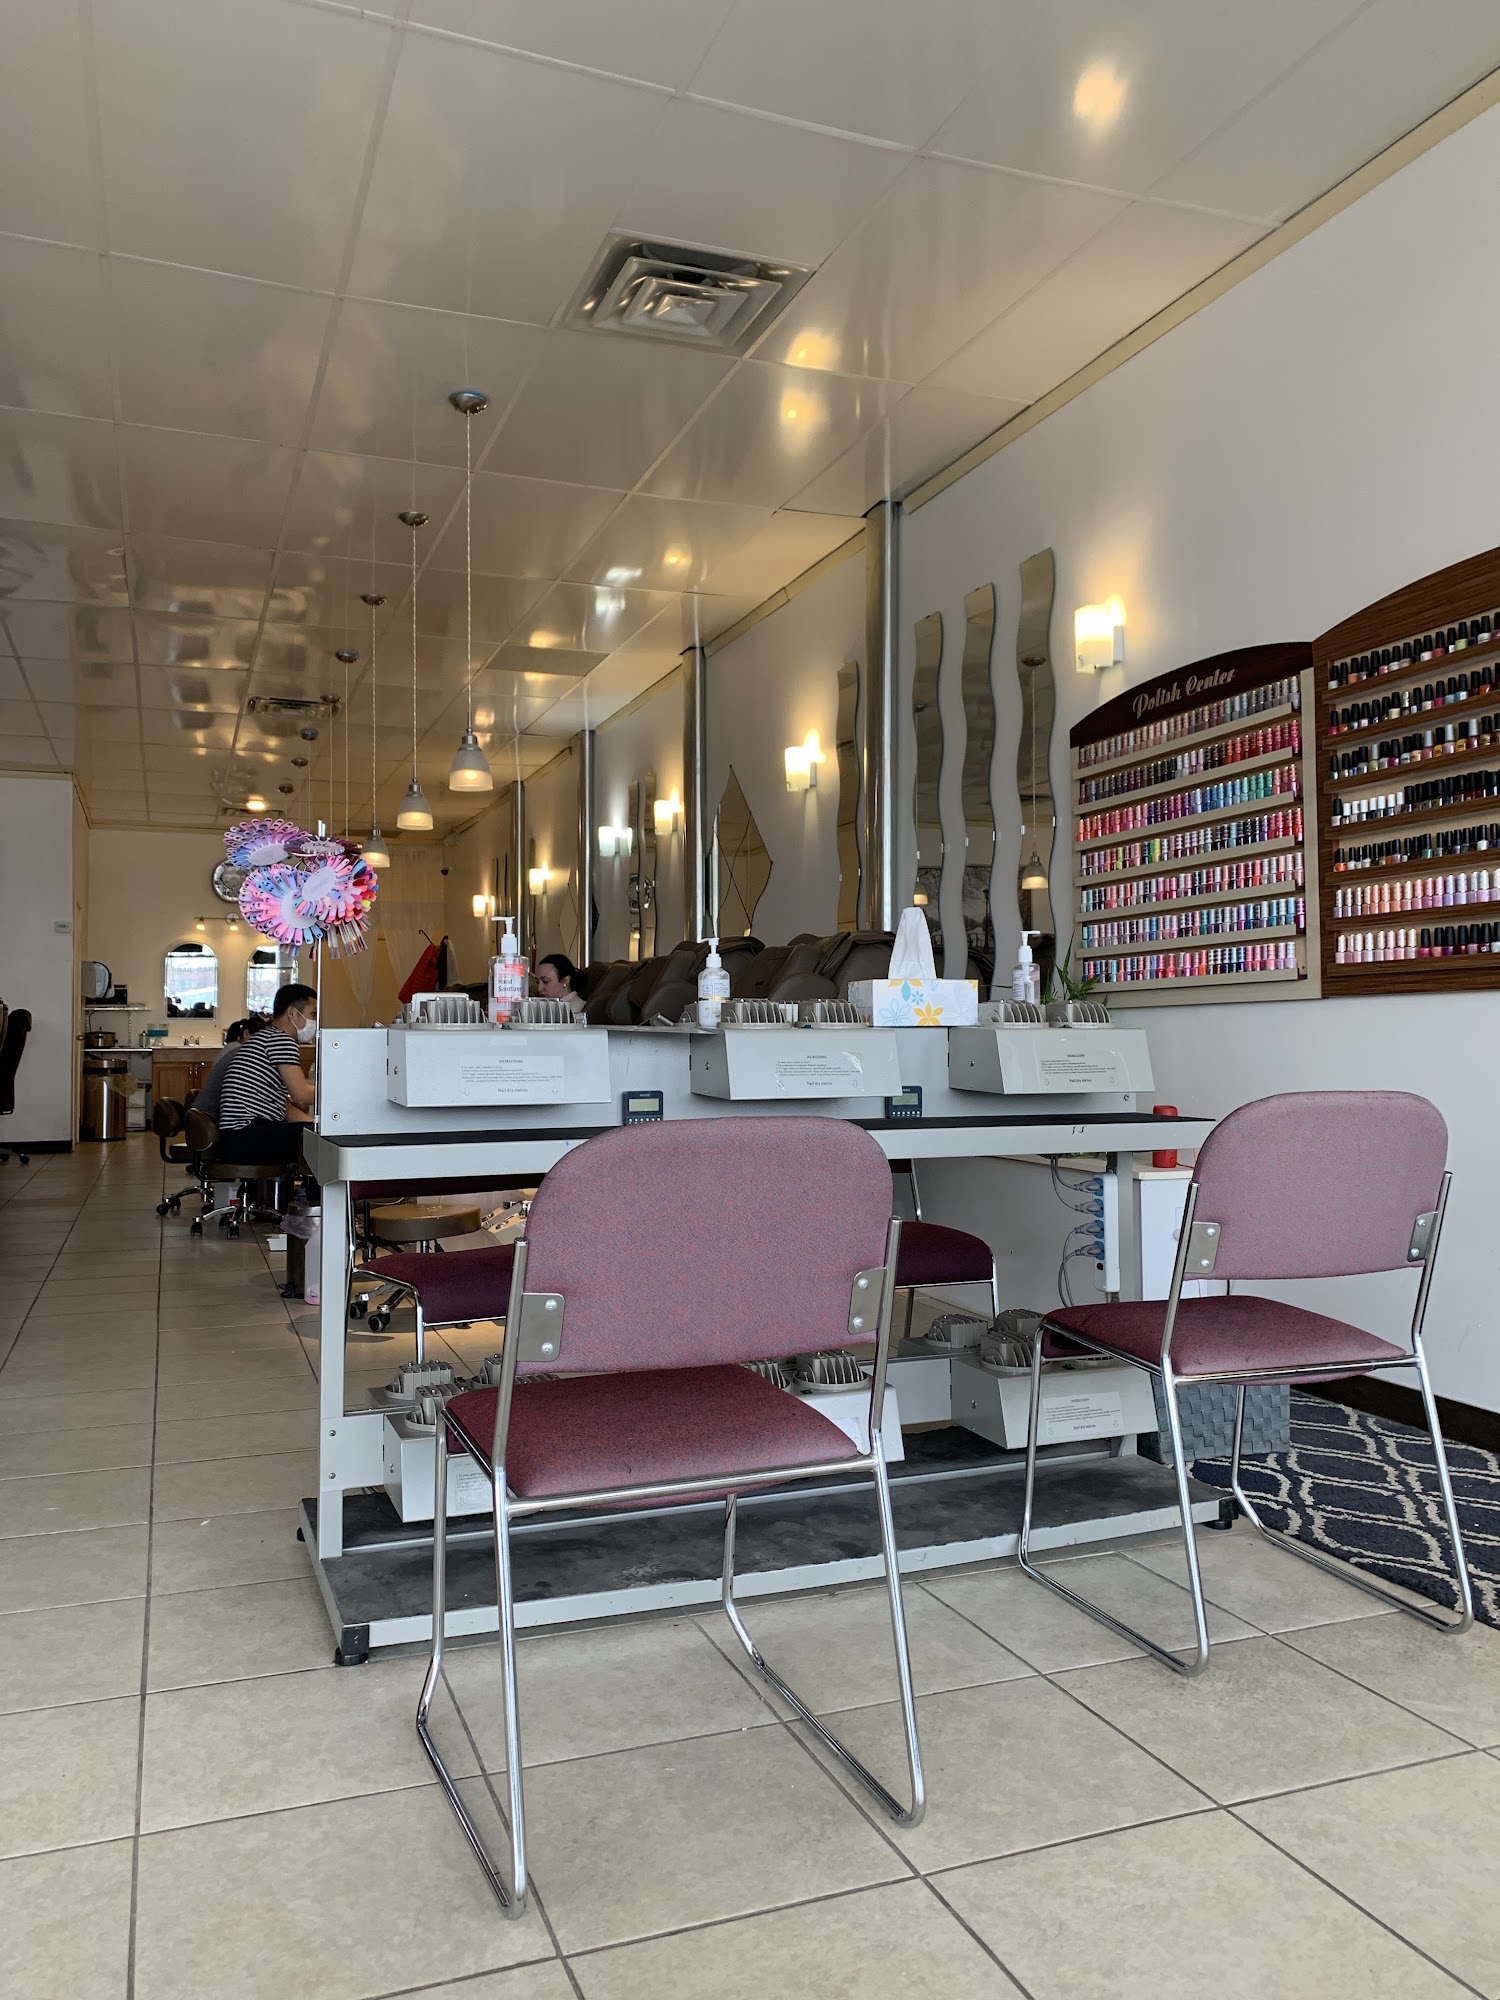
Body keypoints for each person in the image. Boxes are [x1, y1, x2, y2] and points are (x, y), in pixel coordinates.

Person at [213, 983, 317, 1164]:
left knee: (316, 1134)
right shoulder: (281, 1040)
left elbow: (285, 1106)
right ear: (292, 1013)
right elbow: (301, 1095)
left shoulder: (264, 1037)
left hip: (235, 1137)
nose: (315, 1022)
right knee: (323, 1143)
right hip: (248, 1135)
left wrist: (312, 1123)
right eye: (313, 1014)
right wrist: (340, 1095)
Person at [191, 1016, 264, 1125]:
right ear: (246, 1034)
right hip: (212, 1116)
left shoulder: (232, 1047)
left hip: (207, 1113)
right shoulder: (240, 1051)